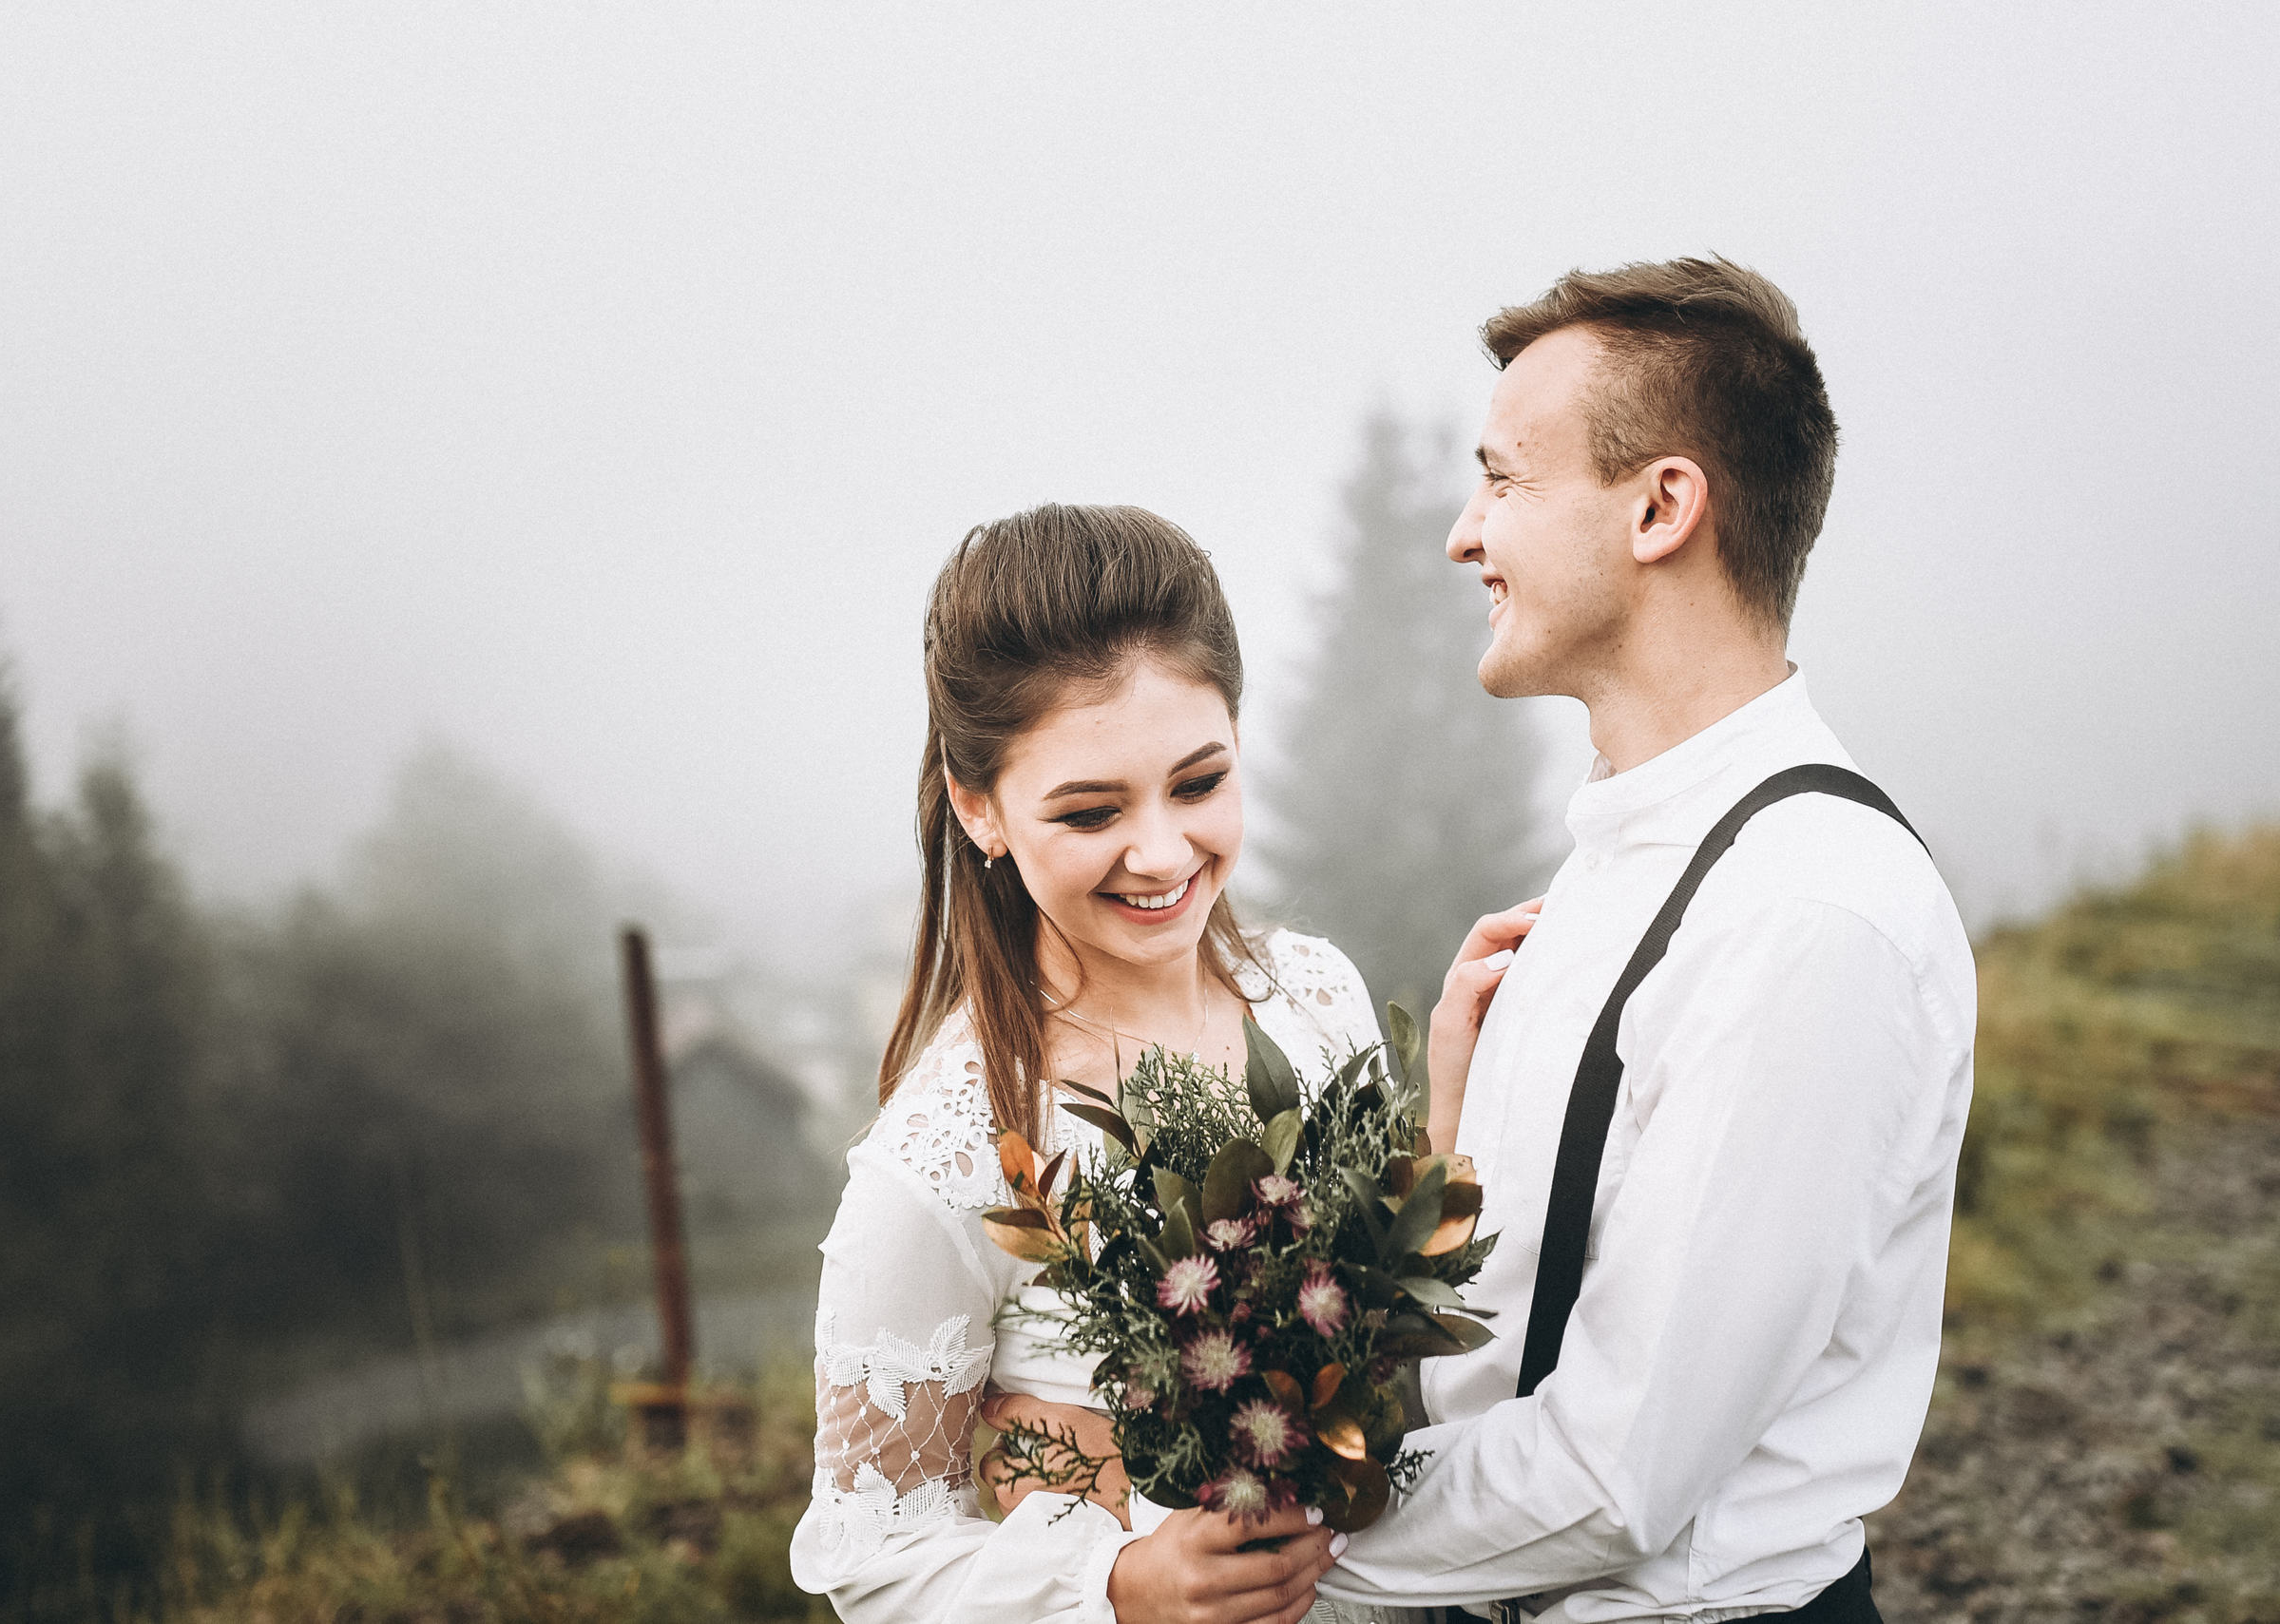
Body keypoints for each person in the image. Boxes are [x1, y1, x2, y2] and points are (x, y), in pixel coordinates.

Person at [1311, 258, 1978, 1621]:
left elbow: (1618, 1470)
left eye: (1505, 480)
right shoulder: (1602, 877)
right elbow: (1499, 1335)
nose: (1460, 532)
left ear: (1662, 506)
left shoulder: (1808, 911)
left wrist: (1277, 1548)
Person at [788, 504, 1533, 1624]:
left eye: (1197, 783)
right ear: (978, 805)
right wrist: (1117, 1582)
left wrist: (1445, 1107)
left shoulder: (1317, 997)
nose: (1160, 853)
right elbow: (870, 1553)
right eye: (1090, 810)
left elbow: (1384, 1347)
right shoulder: (944, 1151)